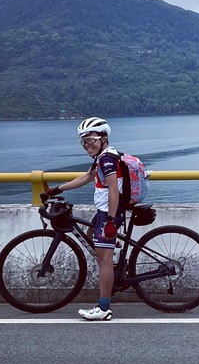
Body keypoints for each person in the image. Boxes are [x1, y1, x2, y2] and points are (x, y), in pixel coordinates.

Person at [44, 117, 148, 321]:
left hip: (109, 213)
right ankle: (109, 249)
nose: (87, 145)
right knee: (92, 236)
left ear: (103, 137)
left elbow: (113, 192)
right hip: (103, 212)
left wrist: (110, 220)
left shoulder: (107, 160)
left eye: (90, 139)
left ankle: (104, 308)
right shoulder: (102, 157)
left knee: (104, 260)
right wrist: (58, 188)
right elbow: (87, 177)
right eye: (83, 141)